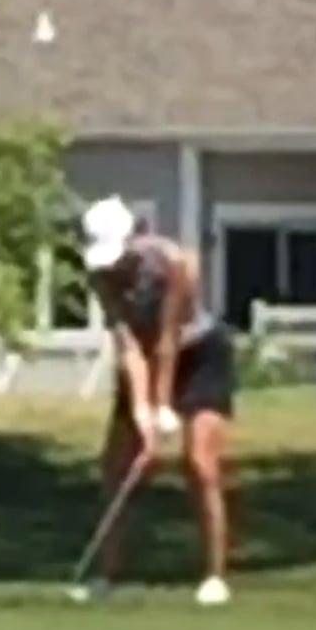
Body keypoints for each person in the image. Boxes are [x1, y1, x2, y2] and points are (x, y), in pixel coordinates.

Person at [70, 194, 238, 606]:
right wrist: (142, 412)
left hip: (201, 356)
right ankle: (108, 575)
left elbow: (168, 338)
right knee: (118, 466)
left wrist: (162, 408)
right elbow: (129, 347)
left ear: (133, 240)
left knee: (199, 463)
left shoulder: (174, 263)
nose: (112, 269)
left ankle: (215, 576)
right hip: (145, 356)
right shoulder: (100, 274)